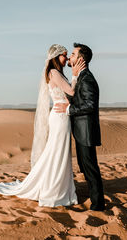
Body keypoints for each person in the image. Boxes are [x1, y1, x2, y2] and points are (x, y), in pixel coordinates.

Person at [0, 44, 85, 207]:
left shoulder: (57, 73)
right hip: (60, 118)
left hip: (62, 115)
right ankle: (53, 188)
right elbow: (72, 92)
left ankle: (59, 185)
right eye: (64, 55)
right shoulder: (53, 72)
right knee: (56, 151)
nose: (66, 58)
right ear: (55, 57)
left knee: (58, 151)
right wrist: (75, 75)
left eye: (67, 55)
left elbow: (68, 96)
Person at [54, 43, 105, 211]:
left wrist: (68, 109)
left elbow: (90, 105)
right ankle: (94, 198)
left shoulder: (87, 78)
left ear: (80, 59)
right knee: (86, 166)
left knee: (90, 168)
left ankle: (98, 205)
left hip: (86, 132)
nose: (70, 57)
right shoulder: (81, 76)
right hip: (81, 131)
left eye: (73, 55)